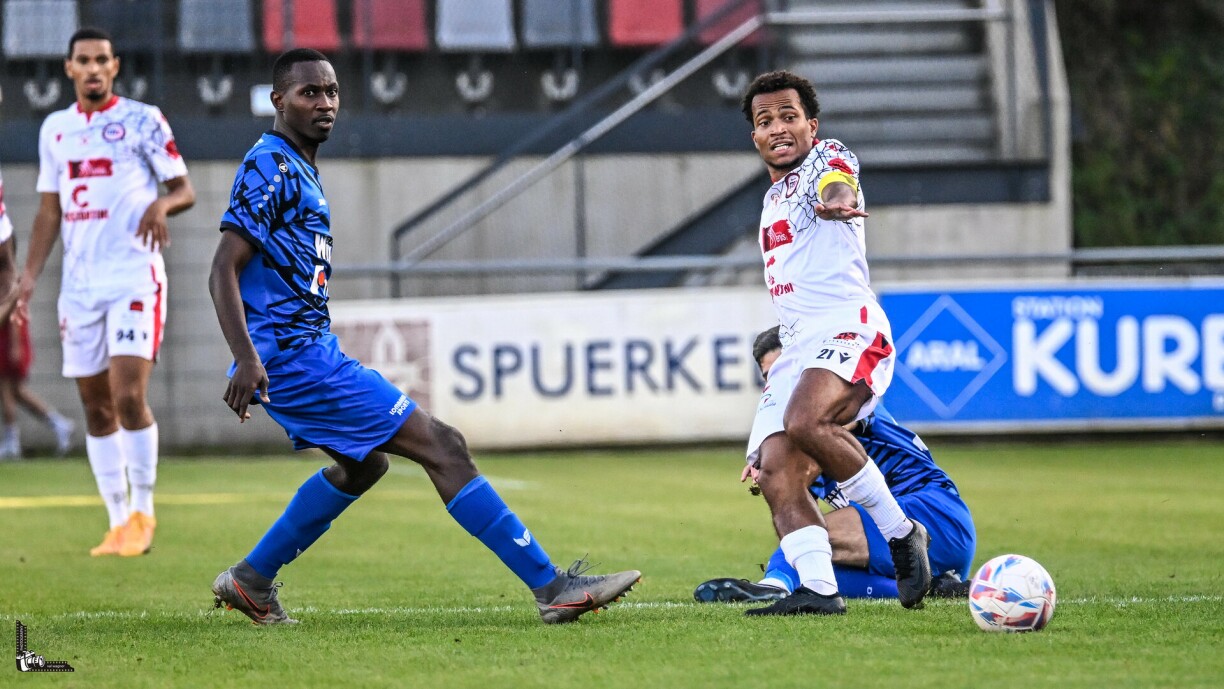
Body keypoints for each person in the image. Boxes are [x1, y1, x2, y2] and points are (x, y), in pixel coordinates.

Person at [208, 49, 640, 626]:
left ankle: (251, 580)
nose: (326, 103)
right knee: (443, 445)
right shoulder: (272, 165)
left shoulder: (297, 166)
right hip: (294, 359)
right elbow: (221, 269)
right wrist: (247, 358)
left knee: (365, 467)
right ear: (278, 100)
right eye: (309, 93)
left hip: (305, 352)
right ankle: (553, 587)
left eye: (332, 91)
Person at [737, 70, 930, 616]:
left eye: (788, 116)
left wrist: (836, 200)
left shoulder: (827, 158)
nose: (777, 127)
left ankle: (901, 533)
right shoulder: (771, 202)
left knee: (806, 421)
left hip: (850, 325)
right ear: (754, 137)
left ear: (811, 126)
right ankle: (820, 590)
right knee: (776, 468)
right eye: (764, 120)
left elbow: (839, 182)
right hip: (798, 347)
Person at [15, 28, 196, 555]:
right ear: (69, 68)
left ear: (114, 66)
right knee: (95, 408)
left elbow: (182, 188)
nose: (93, 69)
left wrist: (160, 207)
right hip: (79, 287)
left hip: (134, 276)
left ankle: (144, 510)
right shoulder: (55, 129)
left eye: (101, 60)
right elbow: (50, 210)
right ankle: (117, 522)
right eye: (83, 61)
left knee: (126, 395)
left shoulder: (143, 119)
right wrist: (28, 276)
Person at [694, 326, 975, 603]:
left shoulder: (843, 403)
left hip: (935, 516)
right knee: (809, 562)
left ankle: (772, 586)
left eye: (789, 371)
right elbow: (801, 516)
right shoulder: (796, 431)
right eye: (772, 378)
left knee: (806, 547)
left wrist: (773, 461)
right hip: (902, 554)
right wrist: (776, 473)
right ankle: (939, 587)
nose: (783, 385)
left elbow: (829, 426)